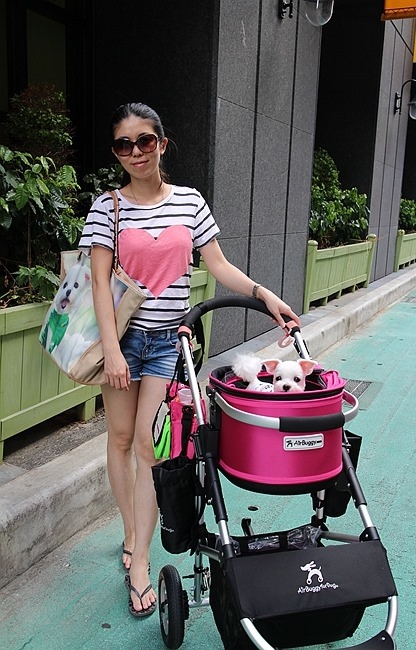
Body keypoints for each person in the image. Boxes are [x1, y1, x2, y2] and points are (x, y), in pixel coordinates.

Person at [79, 102, 301, 618]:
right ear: (116, 153)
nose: (135, 152)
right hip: (122, 340)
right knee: (119, 439)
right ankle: (131, 533)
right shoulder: (107, 207)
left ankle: (139, 562)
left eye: (144, 141)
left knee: (148, 447)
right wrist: (111, 350)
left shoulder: (190, 201)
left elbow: (218, 264)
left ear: (162, 143)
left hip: (166, 343)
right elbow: (99, 284)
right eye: (124, 145)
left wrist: (264, 295)